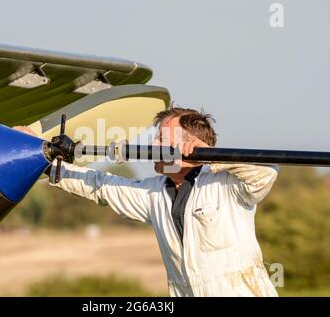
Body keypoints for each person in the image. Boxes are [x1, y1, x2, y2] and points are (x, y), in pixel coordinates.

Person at [14, 107, 279, 297]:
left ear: (188, 145)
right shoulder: (153, 193)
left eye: (162, 138)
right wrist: (42, 157)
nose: (153, 144)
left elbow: (266, 172)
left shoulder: (228, 184)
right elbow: (99, 186)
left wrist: (209, 154)